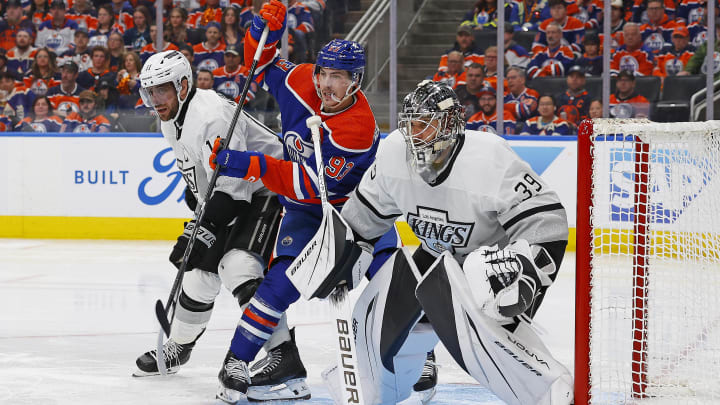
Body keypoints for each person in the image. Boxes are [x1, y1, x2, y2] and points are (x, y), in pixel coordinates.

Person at [309, 80, 572, 404]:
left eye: (424, 124)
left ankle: (548, 391)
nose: (413, 134)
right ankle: (372, 388)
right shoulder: (393, 154)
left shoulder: (488, 158)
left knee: (477, 272)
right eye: (410, 125)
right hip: (431, 263)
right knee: (398, 272)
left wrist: (525, 268)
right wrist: (340, 254)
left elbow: (547, 221)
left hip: (488, 274)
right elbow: (361, 221)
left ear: (449, 124)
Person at [209, 1, 384, 401]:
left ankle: (420, 356)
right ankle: (237, 361)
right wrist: (260, 28)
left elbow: (307, 182)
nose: (326, 83)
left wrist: (244, 163)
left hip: (359, 213)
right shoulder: (301, 80)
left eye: (338, 76)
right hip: (306, 214)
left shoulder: (357, 129)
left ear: (355, 81)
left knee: (393, 276)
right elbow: (260, 63)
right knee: (278, 285)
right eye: (323, 72)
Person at [132, 49, 311, 403]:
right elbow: (201, 185)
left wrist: (204, 226)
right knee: (200, 272)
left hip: (272, 185)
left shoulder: (210, 116)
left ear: (183, 86)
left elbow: (233, 193)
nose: (156, 99)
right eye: (150, 92)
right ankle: (179, 346)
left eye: (162, 90)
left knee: (239, 266)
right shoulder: (172, 120)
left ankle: (285, 356)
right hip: (238, 189)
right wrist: (199, 225)